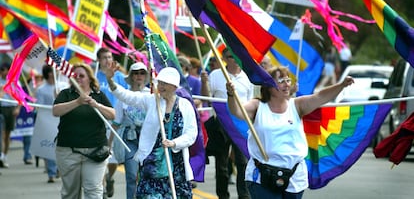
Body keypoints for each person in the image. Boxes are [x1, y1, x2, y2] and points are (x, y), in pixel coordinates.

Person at [226, 66, 354, 198]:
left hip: (294, 177)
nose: (287, 84)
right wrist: (231, 95)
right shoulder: (258, 106)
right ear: (269, 86)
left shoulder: (297, 105)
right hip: (261, 176)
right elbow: (237, 111)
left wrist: (341, 85)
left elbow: (320, 96)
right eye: (281, 81)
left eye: (288, 80)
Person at [105, 66, 198, 199]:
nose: (160, 86)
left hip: (177, 165)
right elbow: (127, 96)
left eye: (165, 83)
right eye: (159, 82)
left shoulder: (185, 105)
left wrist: (174, 143)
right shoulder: (151, 100)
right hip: (152, 162)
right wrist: (110, 81)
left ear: (174, 86)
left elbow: (191, 134)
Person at [53, 63, 115, 199]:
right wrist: (77, 102)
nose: (79, 78)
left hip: (96, 151)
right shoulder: (66, 94)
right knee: (70, 193)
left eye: (82, 76)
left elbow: (112, 115)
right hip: (68, 151)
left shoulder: (98, 95)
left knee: (93, 190)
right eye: (75, 76)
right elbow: (55, 111)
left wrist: (97, 105)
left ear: (89, 78)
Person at [201, 47, 253, 199]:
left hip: (241, 124)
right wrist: (204, 83)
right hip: (221, 124)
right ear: (224, 59)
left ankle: (244, 195)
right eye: (231, 56)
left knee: (242, 162)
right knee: (222, 164)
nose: (235, 60)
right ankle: (222, 195)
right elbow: (206, 99)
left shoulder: (247, 77)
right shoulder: (216, 75)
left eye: (237, 56)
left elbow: (251, 103)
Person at [111, 62, 150, 199]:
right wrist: (108, 144)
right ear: (131, 76)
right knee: (132, 175)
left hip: (148, 139)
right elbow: (116, 122)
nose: (139, 76)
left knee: (148, 175)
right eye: (136, 73)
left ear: (146, 76)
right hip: (130, 139)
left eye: (142, 73)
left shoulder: (151, 95)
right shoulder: (124, 95)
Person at [96, 47, 128, 198]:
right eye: (104, 57)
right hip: (99, 122)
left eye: (110, 57)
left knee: (113, 159)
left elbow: (128, 96)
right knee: (101, 156)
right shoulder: (94, 77)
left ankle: (109, 177)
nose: (107, 60)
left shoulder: (120, 77)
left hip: (116, 122)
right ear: (99, 60)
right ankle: (101, 189)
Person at [35, 65, 62, 183]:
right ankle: (51, 172)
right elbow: (39, 107)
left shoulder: (62, 86)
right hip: (47, 120)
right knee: (49, 146)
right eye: (53, 70)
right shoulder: (41, 89)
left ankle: (59, 168)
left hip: (61, 121)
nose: (57, 71)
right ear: (50, 74)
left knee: (60, 146)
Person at [0, 62, 21, 168]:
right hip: (1, 108)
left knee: (7, 135)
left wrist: (17, 108)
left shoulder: (14, 81)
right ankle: (1, 156)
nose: (2, 72)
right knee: (2, 134)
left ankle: (4, 155)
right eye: (1, 70)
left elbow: (21, 98)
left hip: (11, 108)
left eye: (4, 70)